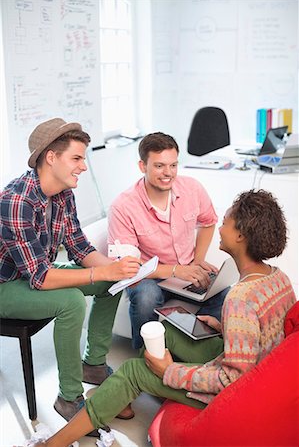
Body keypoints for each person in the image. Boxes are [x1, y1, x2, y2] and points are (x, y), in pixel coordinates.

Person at [30, 189, 297, 447]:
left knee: (134, 371)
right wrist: (224, 328)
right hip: (256, 370)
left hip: (237, 396)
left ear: (240, 235)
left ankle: (54, 443)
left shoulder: (240, 297)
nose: (220, 227)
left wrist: (170, 372)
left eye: (225, 222)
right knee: (165, 329)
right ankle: (121, 392)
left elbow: (231, 381)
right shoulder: (278, 277)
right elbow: (265, 338)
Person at [0, 118, 141, 432]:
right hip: (5, 286)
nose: (83, 166)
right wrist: (103, 270)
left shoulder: (63, 194)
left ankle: (92, 365)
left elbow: (79, 246)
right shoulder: (16, 201)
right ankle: (69, 397)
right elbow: (41, 278)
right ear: (51, 157)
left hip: (34, 273)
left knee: (109, 282)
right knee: (72, 302)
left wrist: (116, 271)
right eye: (76, 158)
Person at [108, 132, 220, 349]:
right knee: (146, 296)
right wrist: (176, 271)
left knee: (225, 292)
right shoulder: (123, 206)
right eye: (159, 166)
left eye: (173, 165)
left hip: (186, 269)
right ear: (143, 166)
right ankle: (145, 356)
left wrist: (197, 261)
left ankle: (192, 349)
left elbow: (208, 222)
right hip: (149, 276)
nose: (168, 173)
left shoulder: (192, 188)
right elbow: (128, 265)